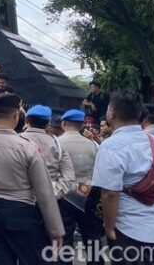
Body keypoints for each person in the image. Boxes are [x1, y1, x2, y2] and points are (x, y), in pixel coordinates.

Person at [0, 93, 64, 264]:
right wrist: (55, 230)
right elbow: (44, 191)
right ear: (16, 116)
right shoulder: (28, 148)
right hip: (21, 215)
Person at [92, 90, 154, 263]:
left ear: (111, 113)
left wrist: (108, 228)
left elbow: (109, 194)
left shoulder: (110, 146)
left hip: (130, 231)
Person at [57, 109, 103, 265]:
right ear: (81, 125)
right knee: (92, 236)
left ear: (64, 123)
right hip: (88, 192)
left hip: (65, 194)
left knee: (65, 237)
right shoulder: (93, 145)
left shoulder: (58, 143)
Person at [21, 105, 76, 200]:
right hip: (47, 202)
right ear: (47, 124)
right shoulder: (57, 145)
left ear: (26, 121)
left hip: (18, 201)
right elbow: (69, 178)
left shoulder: (15, 140)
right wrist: (51, 195)